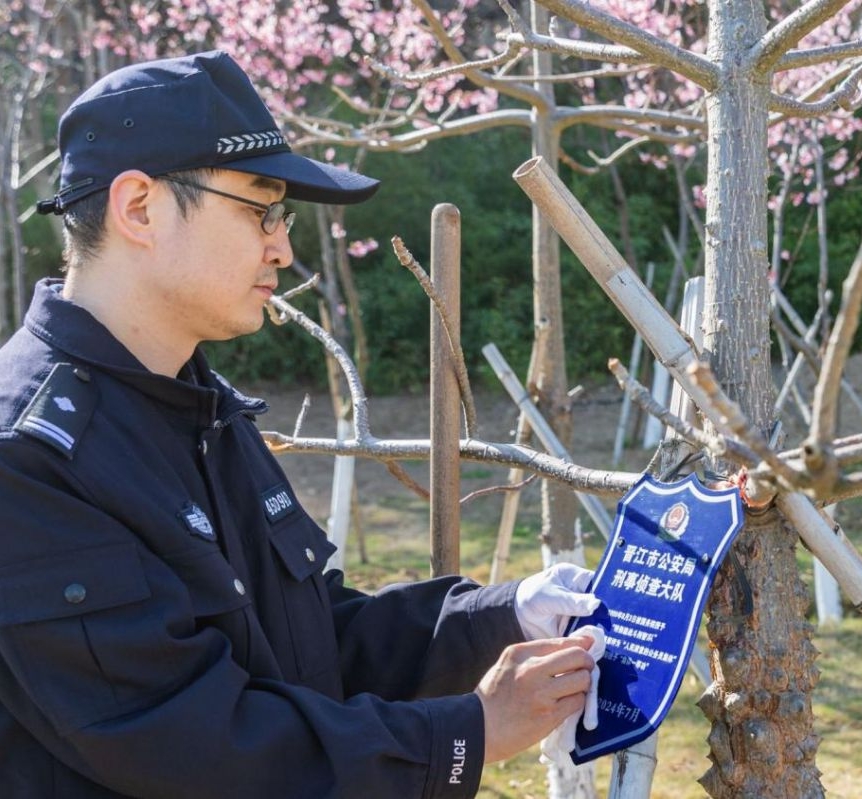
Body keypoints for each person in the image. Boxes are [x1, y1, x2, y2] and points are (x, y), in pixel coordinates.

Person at [1, 50, 602, 798]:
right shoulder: (28, 458)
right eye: (259, 210)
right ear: (139, 209)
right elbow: (185, 742)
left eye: (280, 217)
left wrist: (504, 615)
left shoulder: (198, 407)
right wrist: (464, 733)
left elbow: (307, 645)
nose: (282, 248)